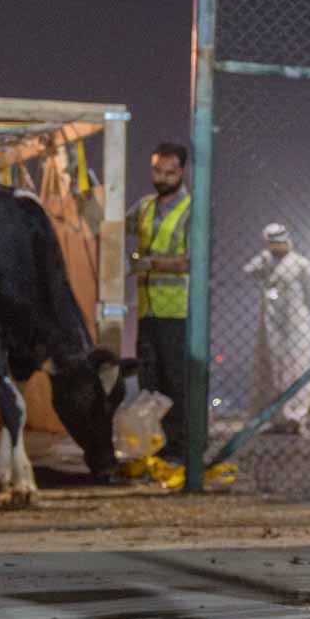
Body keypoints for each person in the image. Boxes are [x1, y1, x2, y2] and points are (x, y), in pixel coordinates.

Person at [128, 142, 192, 465]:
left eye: (169, 172)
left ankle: (181, 448)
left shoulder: (192, 210)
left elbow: (192, 260)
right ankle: (158, 444)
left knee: (175, 382)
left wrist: (150, 264)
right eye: (157, 171)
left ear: (181, 172)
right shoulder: (144, 207)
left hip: (178, 311)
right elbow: (111, 228)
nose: (162, 178)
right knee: (149, 382)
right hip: (148, 309)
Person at [244, 223, 310, 429]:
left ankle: (294, 415)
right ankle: (269, 416)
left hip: (296, 324)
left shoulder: (300, 264)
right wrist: (265, 258)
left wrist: (304, 311)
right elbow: (249, 271)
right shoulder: (266, 261)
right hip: (270, 325)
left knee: (296, 367)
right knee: (269, 368)